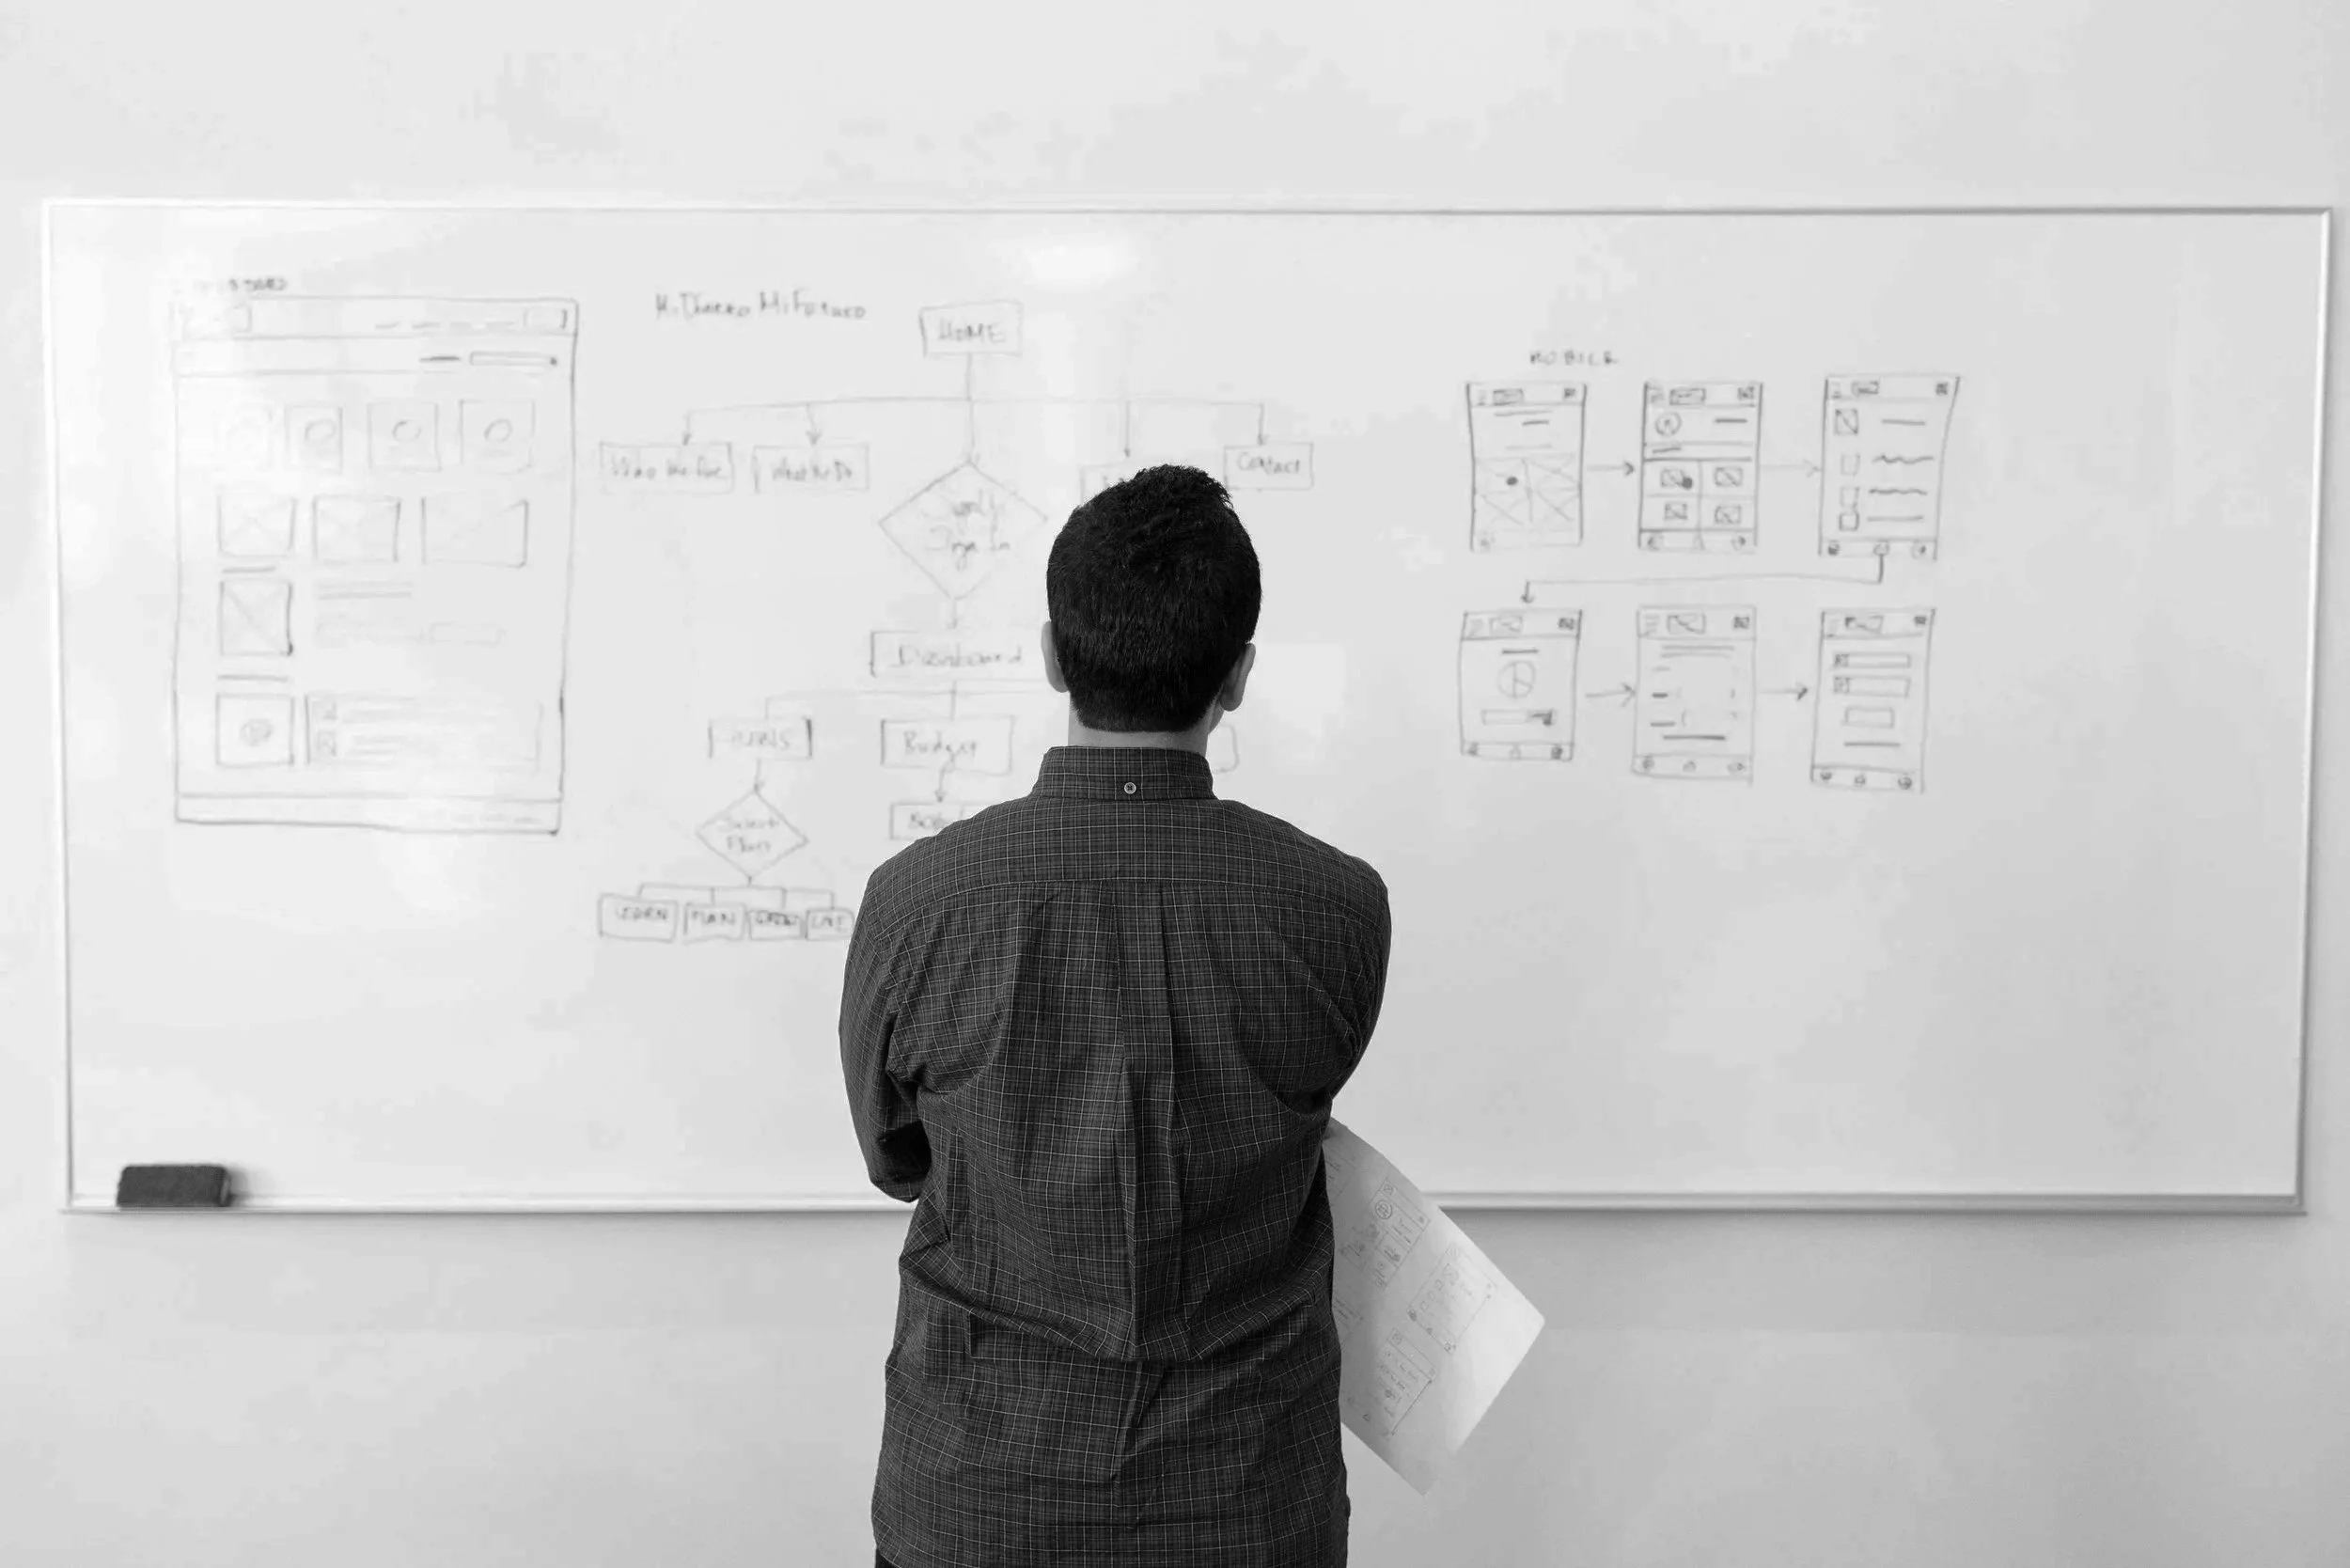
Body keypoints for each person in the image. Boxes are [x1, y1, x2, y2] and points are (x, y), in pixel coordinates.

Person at [838, 463, 1392, 1567]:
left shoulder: (917, 901)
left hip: (980, 1497)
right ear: (1237, 677)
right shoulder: (1336, 907)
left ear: (1052, 653)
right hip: (1247, 1505)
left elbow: (898, 1157)